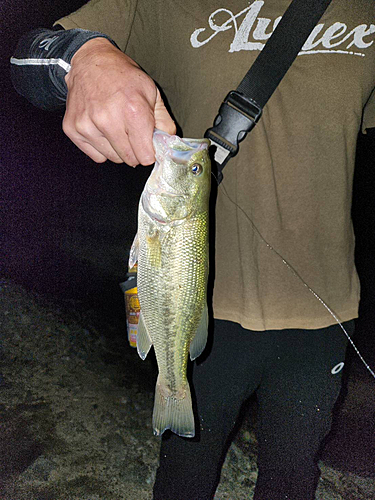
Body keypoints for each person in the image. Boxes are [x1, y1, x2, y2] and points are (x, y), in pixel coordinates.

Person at [11, 1, 375, 498]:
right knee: (184, 475)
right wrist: (82, 56)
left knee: (292, 478)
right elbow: (27, 59)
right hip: (204, 311)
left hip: (327, 311)